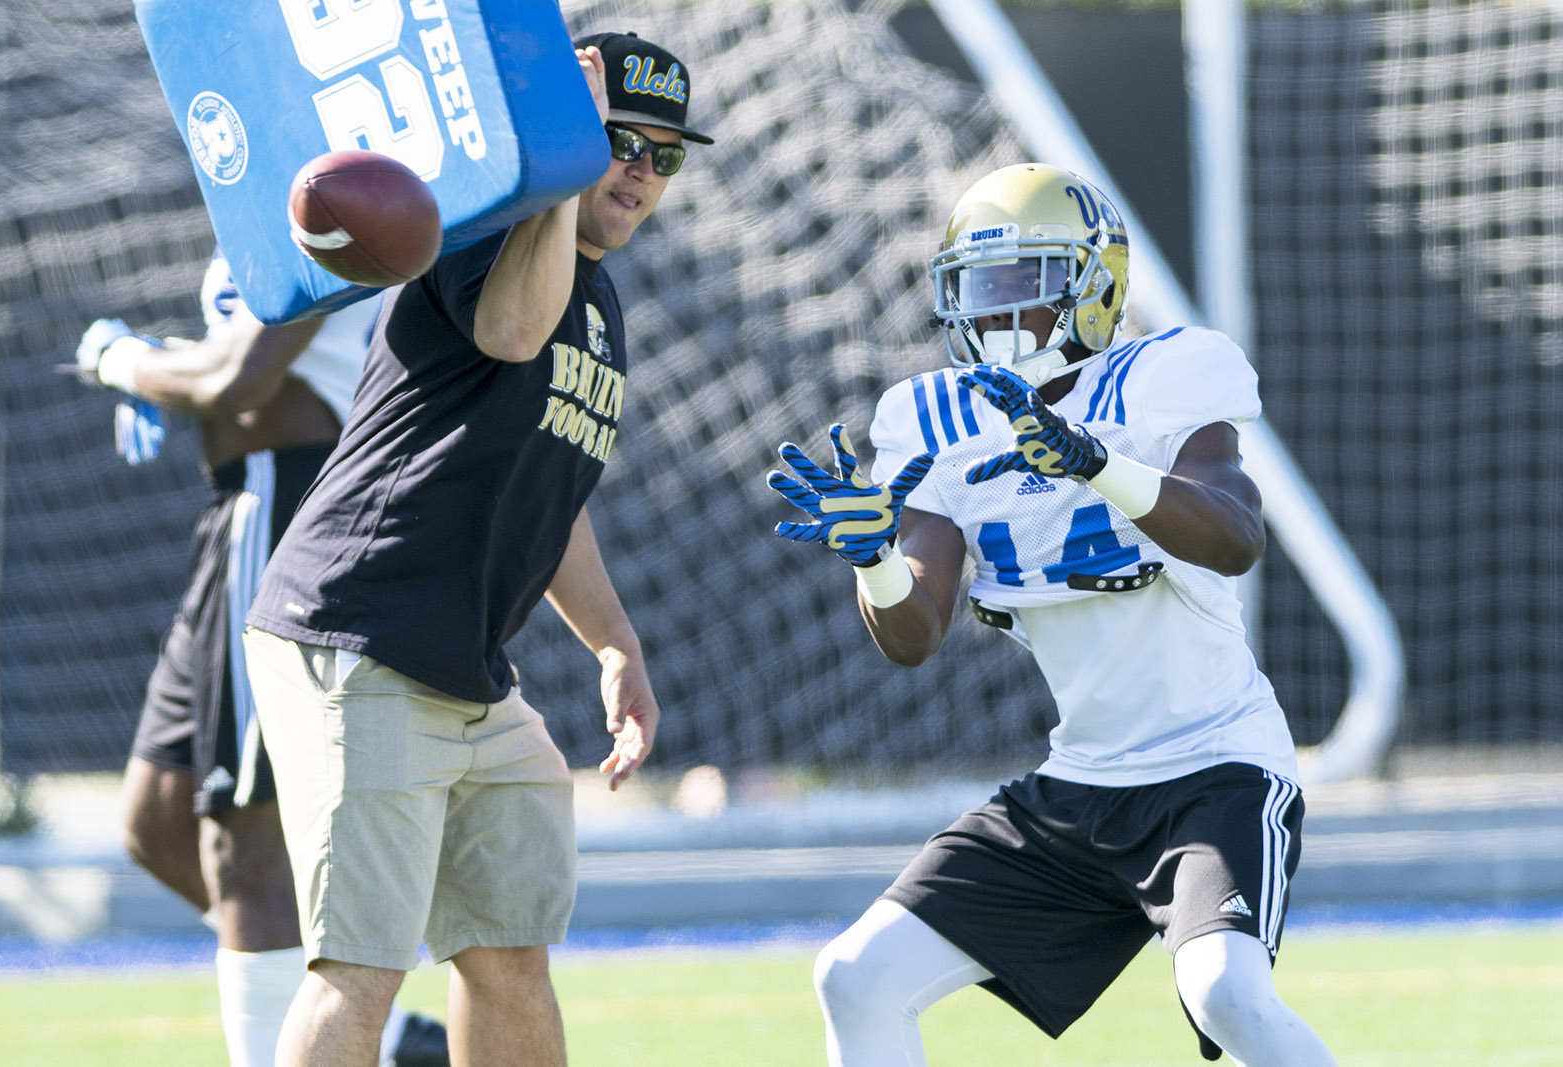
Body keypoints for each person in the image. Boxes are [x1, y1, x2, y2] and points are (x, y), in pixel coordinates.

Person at [769, 162, 1337, 1067]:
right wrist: (874, 559)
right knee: (854, 974)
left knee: (1225, 988)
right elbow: (914, 634)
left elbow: (1234, 534)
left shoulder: (1163, 376)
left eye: (1016, 286)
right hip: (1079, 785)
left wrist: (1092, 460)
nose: (992, 315)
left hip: (1216, 771)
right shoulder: (936, 420)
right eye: (974, 290)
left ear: (1093, 286)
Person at [238, 31, 713, 1067]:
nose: (637, 169)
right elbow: (507, 333)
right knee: (360, 966)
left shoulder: (597, 295)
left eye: (662, 155)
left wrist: (615, 643)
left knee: (508, 956)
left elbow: (552, 489)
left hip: (467, 674)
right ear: (562, 139)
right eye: (617, 141)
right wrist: (552, 161)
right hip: (358, 638)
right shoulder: (477, 228)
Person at [75, 256, 450, 1067]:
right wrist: (171, 361)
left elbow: (237, 380)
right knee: (158, 821)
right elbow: (239, 358)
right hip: (241, 506)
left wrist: (123, 361)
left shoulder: (325, 181)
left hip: (288, 504)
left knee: (245, 848)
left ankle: (354, 1021)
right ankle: (374, 1038)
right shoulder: (265, 187)